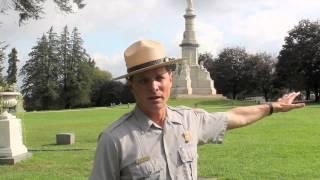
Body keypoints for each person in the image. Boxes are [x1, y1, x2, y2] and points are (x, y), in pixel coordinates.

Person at [89, 40, 305, 180]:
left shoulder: (188, 120)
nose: (153, 87)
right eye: (143, 80)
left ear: (170, 79)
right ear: (131, 86)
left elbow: (235, 115)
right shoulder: (114, 139)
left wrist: (273, 107)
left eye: (159, 78)